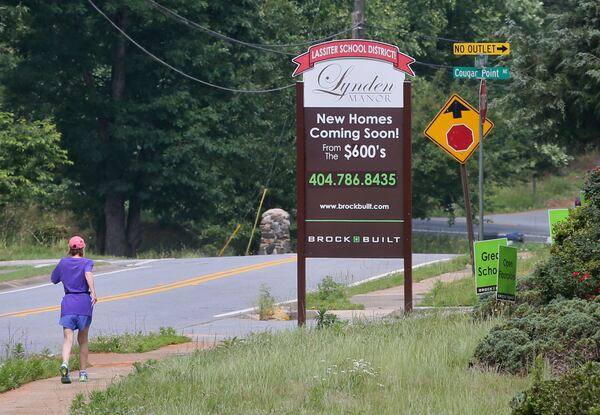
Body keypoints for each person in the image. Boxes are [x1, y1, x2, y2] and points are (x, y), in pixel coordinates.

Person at [51, 236, 97, 384]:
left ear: (70, 248)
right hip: (84, 302)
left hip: (68, 303)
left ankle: (65, 364)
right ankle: (83, 373)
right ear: (82, 248)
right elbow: (87, 273)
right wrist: (93, 292)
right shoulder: (87, 262)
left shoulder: (63, 263)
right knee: (83, 340)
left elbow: (54, 279)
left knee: (67, 339)